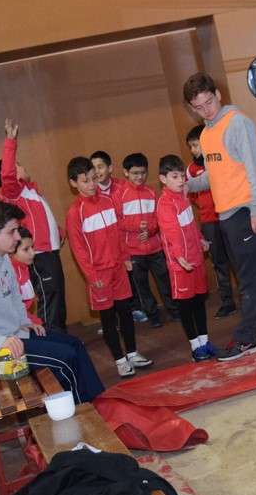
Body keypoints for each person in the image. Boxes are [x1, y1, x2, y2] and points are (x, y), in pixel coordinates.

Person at [0, 201, 104, 404]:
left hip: (12, 337)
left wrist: (23, 321)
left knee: (75, 344)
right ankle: (83, 412)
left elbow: (13, 295)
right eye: (11, 232)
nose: (18, 237)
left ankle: (99, 401)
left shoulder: (2, 257)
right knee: (65, 359)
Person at [182, 72, 256, 361]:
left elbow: (255, 168)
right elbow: (212, 175)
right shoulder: (206, 134)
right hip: (227, 214)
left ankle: (247, 338)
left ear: (218, 94)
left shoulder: (237, 123)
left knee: (248, 279)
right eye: (199, 107)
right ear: (192, 108)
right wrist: (189, 185)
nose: (206, 110)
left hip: (246, 211)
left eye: (209, 102)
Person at [65, 156, 154, 378]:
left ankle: (132, 353)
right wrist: (91, 275)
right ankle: (120, 360)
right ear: (73, 183)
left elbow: (118, 233)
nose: (92, 184)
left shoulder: (107, 201)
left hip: (118, 268)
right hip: (99, 273)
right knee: (108, 318)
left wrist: (125, 256)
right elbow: (79, 249)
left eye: (94, 178)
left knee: (126, 312)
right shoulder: (75, 213)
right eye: (85, 181)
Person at [0, 118, 67, 333]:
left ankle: (61, 336)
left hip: (49, 251)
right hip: (39, 253)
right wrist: (10, 141)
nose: (21, 166)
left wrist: (57, 233)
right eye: (17, 164)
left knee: (57, 294)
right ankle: (51, 338)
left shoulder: (30, 190)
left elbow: (42, 218)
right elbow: (7, 174)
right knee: (50, 296)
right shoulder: (13, 192)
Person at [156, 154, 219, 362]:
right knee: (186, 305)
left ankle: (204, 341)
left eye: (182, 176)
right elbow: (173, 232)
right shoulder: (165, 204)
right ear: (163, 179)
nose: (181, 180)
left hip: (196, 258)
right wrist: (179, 255)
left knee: (199, 300)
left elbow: (190, 224)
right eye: (174, 177)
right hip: (180, 263)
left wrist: (200, 239)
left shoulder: (183, 197)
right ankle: (195, 346)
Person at [118, 152, 179, 327]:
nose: (139, 177)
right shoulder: (119, 195)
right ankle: (154, 316)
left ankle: (174, 310)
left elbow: (158, 218)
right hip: (134, 250)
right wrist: (138, 226)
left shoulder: (151, 192)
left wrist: (150, 231)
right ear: (126, 172)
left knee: (165, 280)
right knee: (141, 285)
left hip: (154, 247)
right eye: (135, 173)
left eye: (143, 172)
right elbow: (118, 221)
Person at [185, 125, 237, 319]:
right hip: (209, 221)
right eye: (190, 147)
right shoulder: (190, 170)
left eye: (195, 145)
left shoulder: (218, 160)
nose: (193, 150)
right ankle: (227, 302)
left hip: (228, 216)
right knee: (219, 262)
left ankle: (248, 297)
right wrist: (204, 205)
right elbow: (191, 194)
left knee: (237, 259)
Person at [91, 149, 148, 324]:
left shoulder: (123, 187)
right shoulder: (91, 192)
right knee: (107, 281)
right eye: (94, 168)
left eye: (100, 166)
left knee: (129, 276)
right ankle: (111, 319)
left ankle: (135, 308)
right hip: (104, 245)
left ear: (110, 168)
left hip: (125, 241)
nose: (97, 171)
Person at [11, 226, 42, 327]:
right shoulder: (12, 274)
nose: (33, 253)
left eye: (32, 247)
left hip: (27, 319)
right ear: (11, 251)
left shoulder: (24, 267)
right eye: (26, 249)